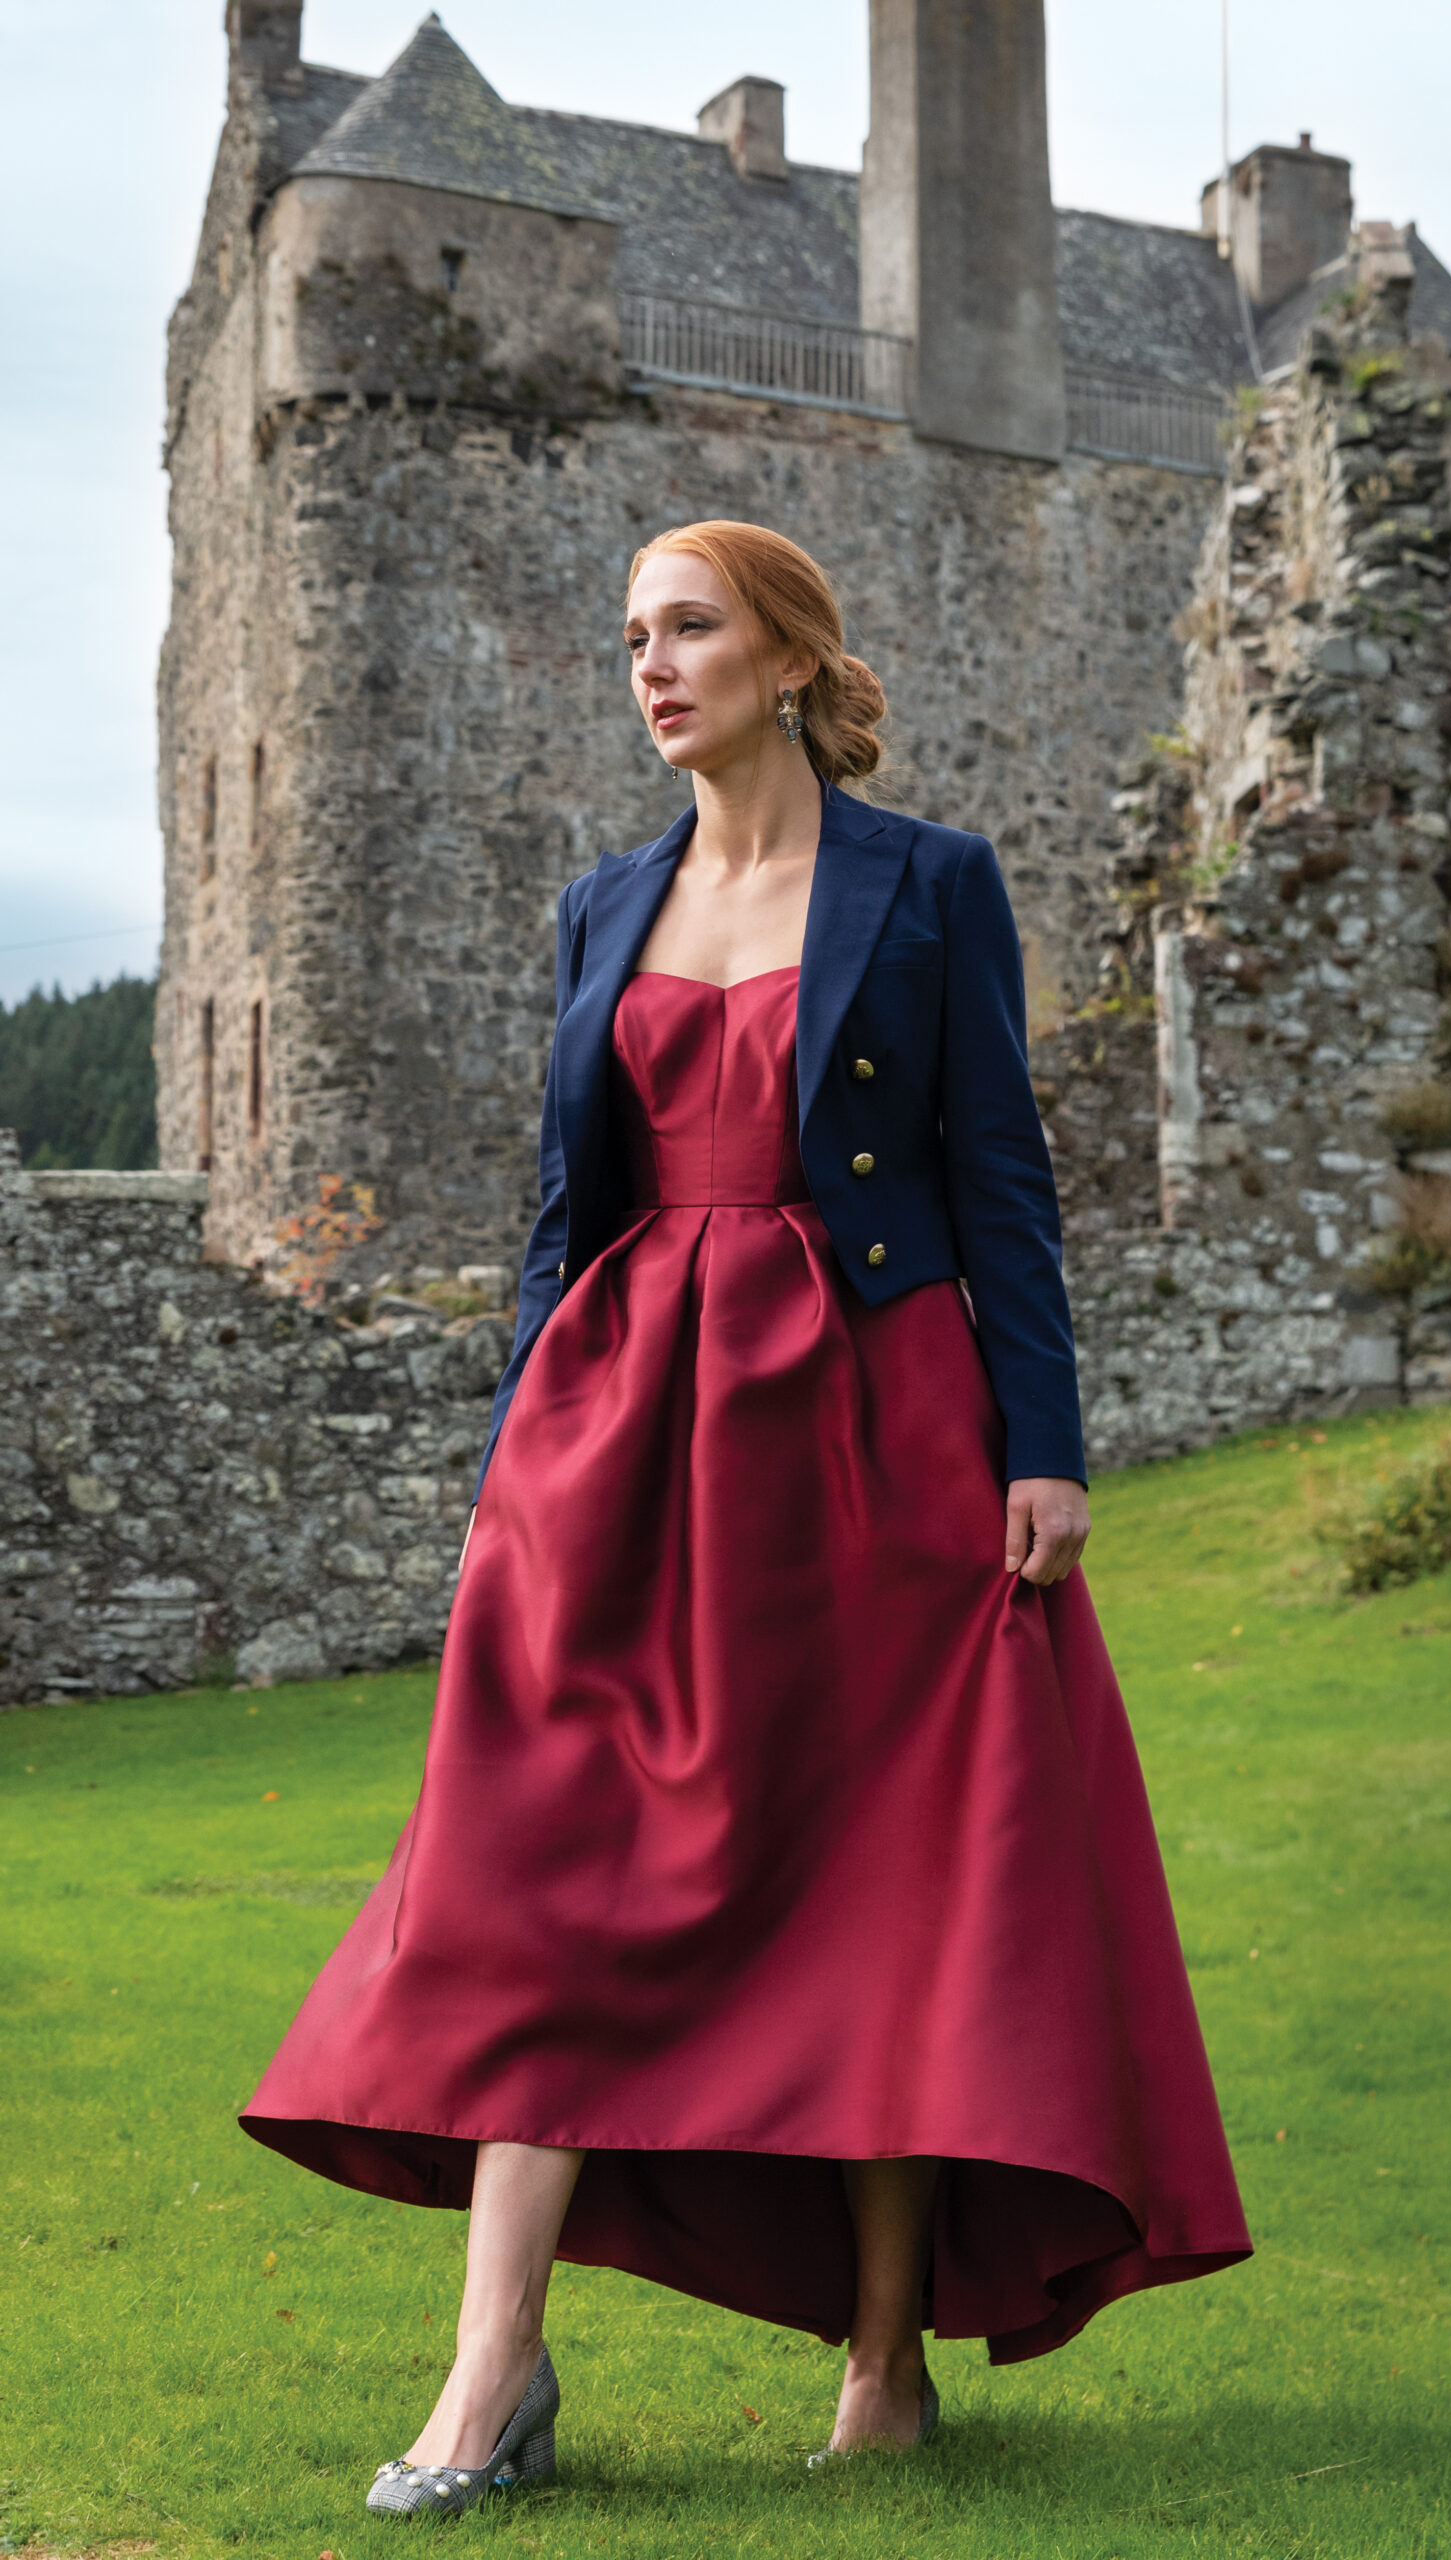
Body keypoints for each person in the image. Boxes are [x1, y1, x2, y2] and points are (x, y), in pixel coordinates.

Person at [241, 520, 1250, 2519]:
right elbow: (566, 1207)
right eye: (630, 632)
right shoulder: (601, 903)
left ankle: (884, 2359)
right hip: (619, 1427)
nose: (651, 663)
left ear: (791, 654)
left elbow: (1001, 1181)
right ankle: (488, 2363)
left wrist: (1039, 1443)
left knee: (888, 1873)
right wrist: (520, 1437)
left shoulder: (928, 882)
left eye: (687, 624)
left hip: (876, 1421)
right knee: (538, 1867)